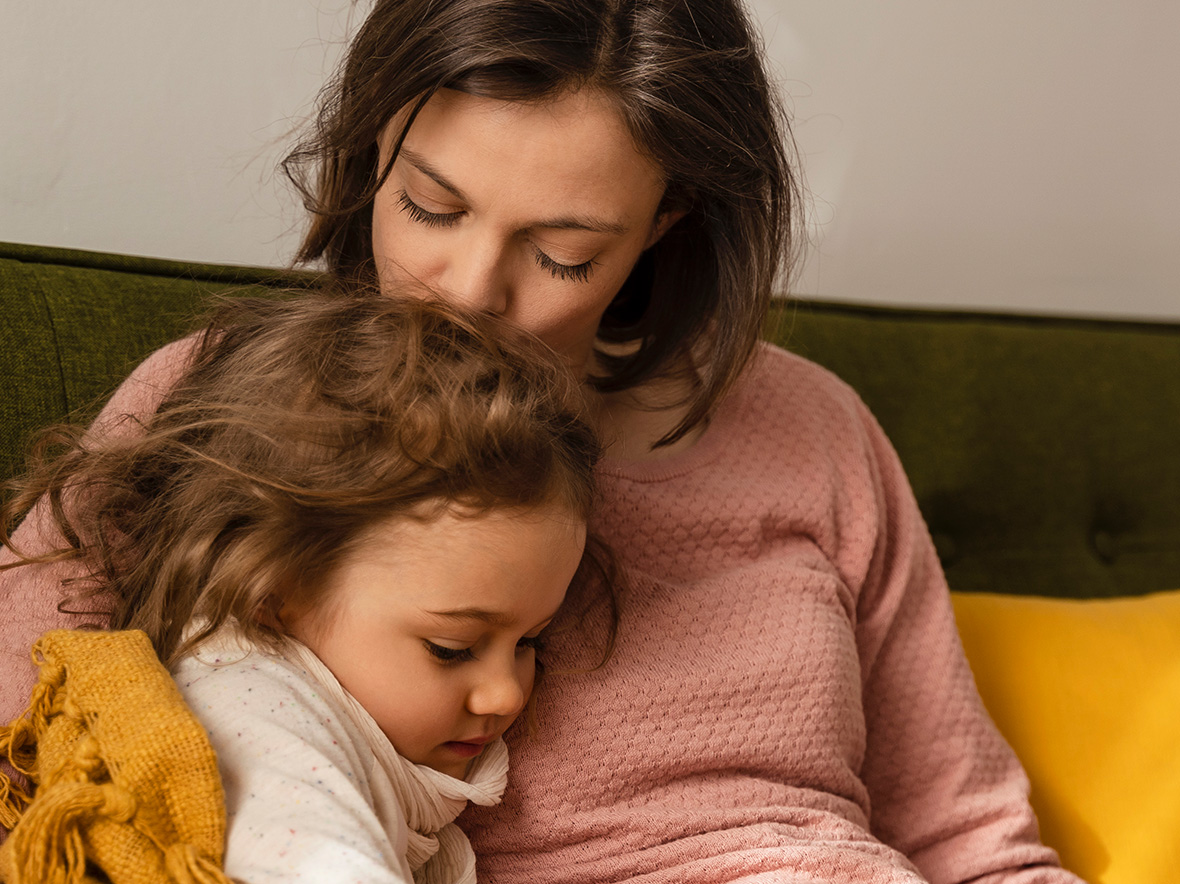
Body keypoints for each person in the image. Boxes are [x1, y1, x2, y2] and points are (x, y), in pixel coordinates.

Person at [0, 0, 1086, 881]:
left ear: (665, 221)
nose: (470, 291)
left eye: (563, 253)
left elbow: (973, 845)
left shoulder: (815, 428)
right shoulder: (227, 402)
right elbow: (35, 737)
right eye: (431, 206)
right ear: (374, 141)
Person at [1, 293, 608, 883]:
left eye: (530, 641)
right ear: (270, 594)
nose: (505, 694)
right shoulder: (256, 709)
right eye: (452, 648)